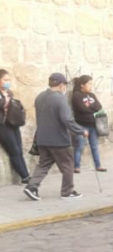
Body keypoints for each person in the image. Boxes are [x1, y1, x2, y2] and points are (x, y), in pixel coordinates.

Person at [23, 73, 87, 201]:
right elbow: (67, 120)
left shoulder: (40, 97)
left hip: (42, 138)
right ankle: (67, 192)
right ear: (61, 85)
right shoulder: (60, 99)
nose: (64, 87)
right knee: (68, 164)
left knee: (43, 164)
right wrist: (81, 131)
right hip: (59, 140)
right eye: (64, 85)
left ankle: (31, 187)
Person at [0, 69, 30, 184]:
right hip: (3, 126)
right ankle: (25, 176)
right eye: (5, 80)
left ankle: (26, 174)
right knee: (14, 150)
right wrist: (5, 100)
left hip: (13, 123)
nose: (8, 82)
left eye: (9, 79)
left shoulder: (9, 92)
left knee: (19, 149)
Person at [71, 75, 106, 173]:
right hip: (81, 125)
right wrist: (92, 108)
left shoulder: (92, 95)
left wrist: (90, 108)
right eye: (89, 83)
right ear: (82, 85)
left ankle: (98, 165)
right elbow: (82, 109)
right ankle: (76, 166)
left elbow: (99, 106)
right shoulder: (76, 95)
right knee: (80, 146)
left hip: (93, 125)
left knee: (94, 146)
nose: (91, 86)